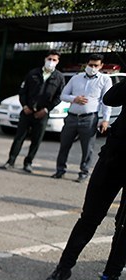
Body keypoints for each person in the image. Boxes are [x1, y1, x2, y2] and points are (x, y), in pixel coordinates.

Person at [44, 77, 126, 280]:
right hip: (113, 160)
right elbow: (110, 98)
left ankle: (111, 276)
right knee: (89, 218)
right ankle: (64, 267)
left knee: (124, 227)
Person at [50, 53, 112, 183]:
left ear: (101, 66)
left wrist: (105, 119)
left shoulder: (105, 80)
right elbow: (63, 95)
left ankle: (84, 172)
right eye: (90, 65)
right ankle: (60, 170)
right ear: (86, 65)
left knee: (87, 147)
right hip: (72, 117)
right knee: (64, 145)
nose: (92, 67)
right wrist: (75, 99)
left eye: (96, 65)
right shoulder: (76, 78)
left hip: (89, 118)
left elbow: (106, 101)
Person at [0, 50, 65, 173]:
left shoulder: (59, 77)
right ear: (45, 59)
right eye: (49, 59)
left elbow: (58, 97)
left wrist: (46, 110)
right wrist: (25, 106)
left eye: (54, 60)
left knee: (36, 140)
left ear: (58, 62)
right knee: (19, 138)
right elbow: (23, 91)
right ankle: (10, 161)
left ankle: (28, 163)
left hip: (42, 114)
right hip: (27, 112)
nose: (51, 62)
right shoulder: (33, 73)